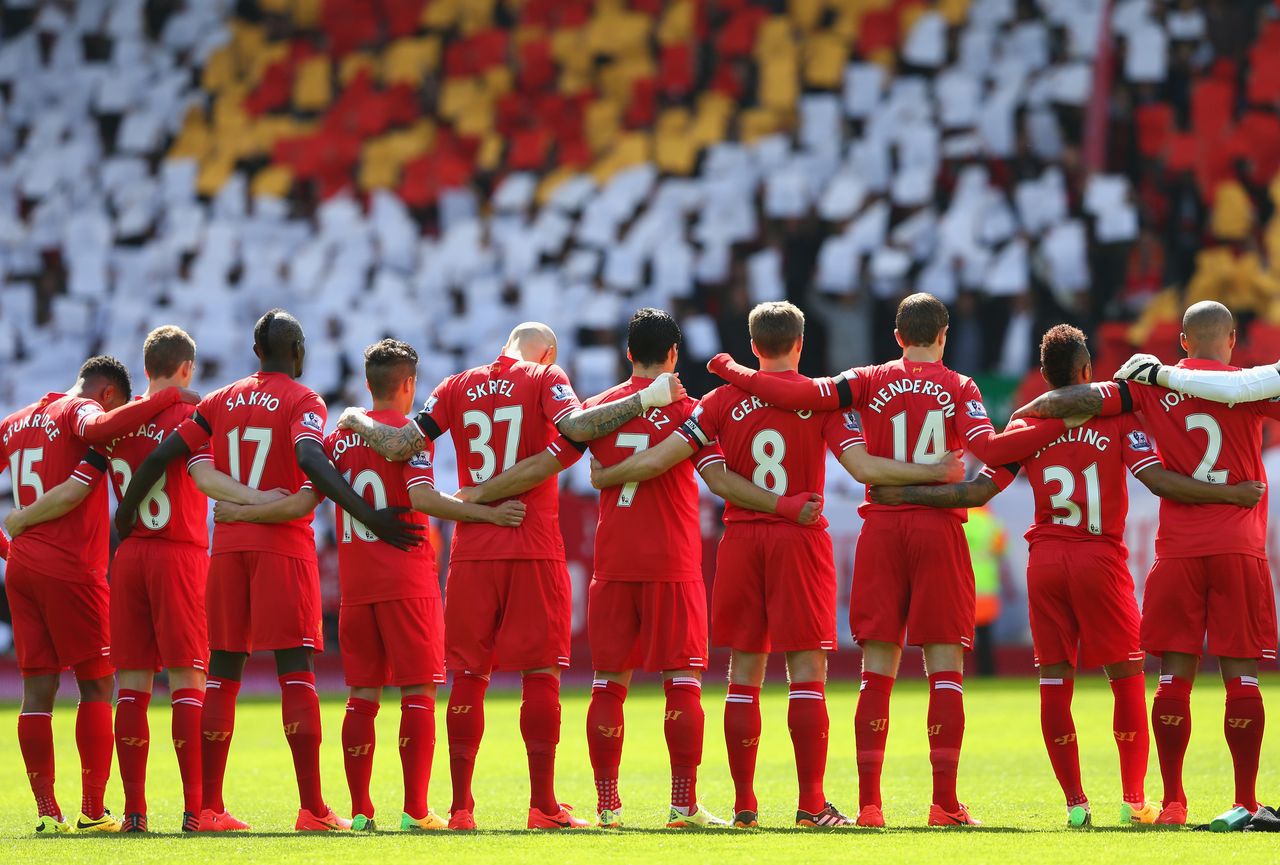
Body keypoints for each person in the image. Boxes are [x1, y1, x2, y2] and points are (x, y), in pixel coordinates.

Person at [705, 292, 1074, 827]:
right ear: (943, 336)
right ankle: (944, 804)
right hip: (939, 530)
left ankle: (869, 806)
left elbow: (804, 394)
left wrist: (732, 371)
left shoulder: (866, 380)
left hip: (877, 526)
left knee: (875, 670)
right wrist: (1042, 421)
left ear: (897, 336)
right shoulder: (960, 387)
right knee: (944, 668)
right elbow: (990, 453)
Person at [873, 323, 1263, 826]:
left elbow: (974, 492)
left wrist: (904, 494)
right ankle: (1132, 799)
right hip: (1099, 558)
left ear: (1043, 376)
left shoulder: (1026, 428)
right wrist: (1232, 493)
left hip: (1046, 562)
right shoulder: (1118, 420)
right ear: (1086, 372)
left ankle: (1076, 804)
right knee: (1125, 677)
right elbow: (1154, 477)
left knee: (1055, 681)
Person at [592, 301, 963, 829]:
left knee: (743, 672)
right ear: (800, 344)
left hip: (741, 539)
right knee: (806, 673)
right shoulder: (820, 402)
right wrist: (932, 470)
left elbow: (692, 469)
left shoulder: (718, 401)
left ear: (752, 344)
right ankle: (811, 804)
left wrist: (607, 476)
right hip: (798, 538)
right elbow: (858, 466)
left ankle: (745, 806)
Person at [454, 308, 825, 829]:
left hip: (613, 558)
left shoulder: (598, 408)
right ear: (674, 355)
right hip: (672, 559)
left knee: (608, 681)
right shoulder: (690, 410)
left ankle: (608, 806)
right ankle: (681, 805)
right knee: (682, 680)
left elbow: (560, 457)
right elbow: (715, 476)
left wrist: (591, 478)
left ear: (628, 353)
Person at [337, 321, 685, 830]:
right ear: (547, 353)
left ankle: (460, 810)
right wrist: (647, 398)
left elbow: (400, 443)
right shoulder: (545, 379)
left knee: (468, 675)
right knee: (541, 672)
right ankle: (542, 805)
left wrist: (355, 418)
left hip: (473, 548)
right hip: (532, 540)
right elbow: (579, 429)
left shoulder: (455, 385)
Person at [115, 309, 422, 832]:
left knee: (223, 674)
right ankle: (312, 809)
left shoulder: (220, 399)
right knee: (294, 670)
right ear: (298, 351)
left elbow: (160, 458)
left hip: (228, 548)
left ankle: (205, 809)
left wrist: (123, 521)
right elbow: (310, 461)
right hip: (282, 548)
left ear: (256, 352)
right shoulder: (304, 400)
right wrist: (367, 513)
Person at [215, 339, 527, 832]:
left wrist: (241, 510)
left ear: (368, 383)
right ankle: (416, 811)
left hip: (356, 586)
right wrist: (483, 511)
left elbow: (302, 502)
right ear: (408, 385)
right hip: (407, 580)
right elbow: (422, 498)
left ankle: (361, 812)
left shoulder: (338, 439)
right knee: (418, 693)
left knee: (362, 695)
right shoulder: (409, 435)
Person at [1014, 301, 1278, 824]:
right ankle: (1245, 803)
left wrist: (1035, 410)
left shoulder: (1151, 386)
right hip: (1238, 547)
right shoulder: (1253, 385)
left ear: (1183, 340)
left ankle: (1175, 801)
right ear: (1230, 340)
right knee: (1241, 677)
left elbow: (1080, 397)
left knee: (1174, 678)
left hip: (1178, 550)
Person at [0, 355, 197, 833]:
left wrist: (8, 546)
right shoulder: (79, 412)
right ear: (108, 394)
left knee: (37, 691)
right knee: (98, 684)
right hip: (70, 568)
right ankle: (92, 810)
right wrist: (167, 396)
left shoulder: (14, 423)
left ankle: (47, 813)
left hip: (22, 569)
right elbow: (94, 437)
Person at [964, 504, 1005, 677]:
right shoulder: (992, 523)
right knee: (985, 635)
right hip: (986, 586)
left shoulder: (961, 520)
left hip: (963, 584)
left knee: (959, 635)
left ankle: (957, 672)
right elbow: (1000, 550)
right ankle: (987, 671)